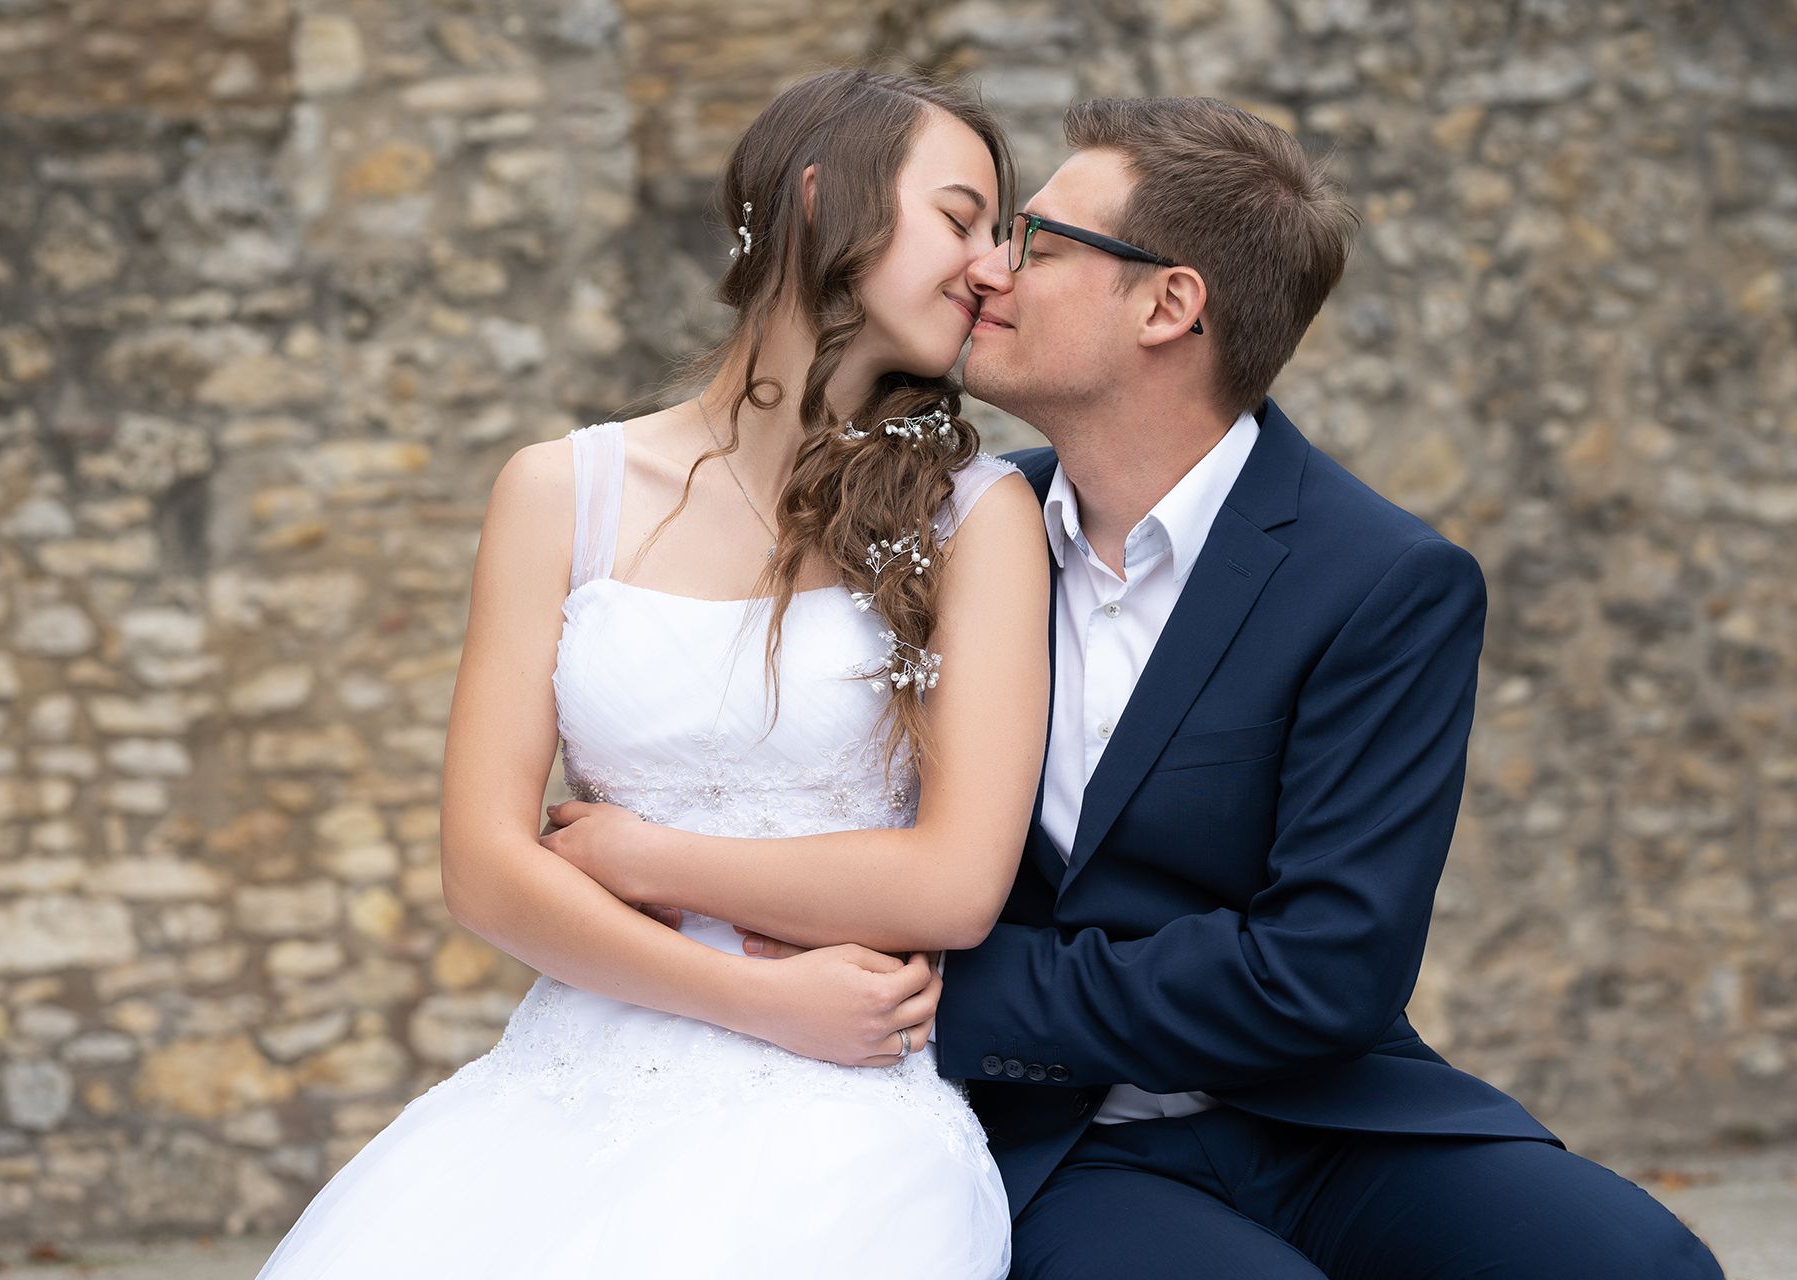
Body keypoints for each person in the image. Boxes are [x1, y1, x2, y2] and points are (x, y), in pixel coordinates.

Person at [715, 96, 1727, 1277]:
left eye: (1038, 242)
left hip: (1323, 1115)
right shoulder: (943, 539)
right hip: (1058, 1141)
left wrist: (950, 991)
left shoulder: (1386, 581)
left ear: (1168, 302)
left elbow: (1322, 970)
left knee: (1638, 1263)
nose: (992, 269)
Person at [251, 68, 1049, 1280]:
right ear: (823, 203)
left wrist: (652, 859)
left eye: (1000, 232)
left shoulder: (976, 516)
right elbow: (485, 866)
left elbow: (953, 883)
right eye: (962, 218)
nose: (995, 267)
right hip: (572, 1083)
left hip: (842, 1118)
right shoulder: (557, 493)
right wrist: (756, 999)